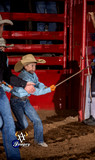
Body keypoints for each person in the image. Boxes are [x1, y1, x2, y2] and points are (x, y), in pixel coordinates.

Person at [0, 16, 36, 159]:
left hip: (0, 93)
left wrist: (24, 84)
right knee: (3, 122)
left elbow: (7, 74)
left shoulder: (2, 55)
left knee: (8, 124)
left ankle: (14, 157)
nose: (2, 29)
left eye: (2, 25)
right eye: (0, 26)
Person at [10, 54, 56, 147]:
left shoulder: (32, 74)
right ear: (25, 66)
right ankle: (7, 126)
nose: (34, 67)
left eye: (35, 65)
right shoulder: (24, 77)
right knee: (23, 125)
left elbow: (38, 83)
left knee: (37, 120)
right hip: (17, 102)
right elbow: (34, 91)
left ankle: (39, 141)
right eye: (32, 65)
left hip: (25, 101)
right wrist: (48, 90)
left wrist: (45, 87)